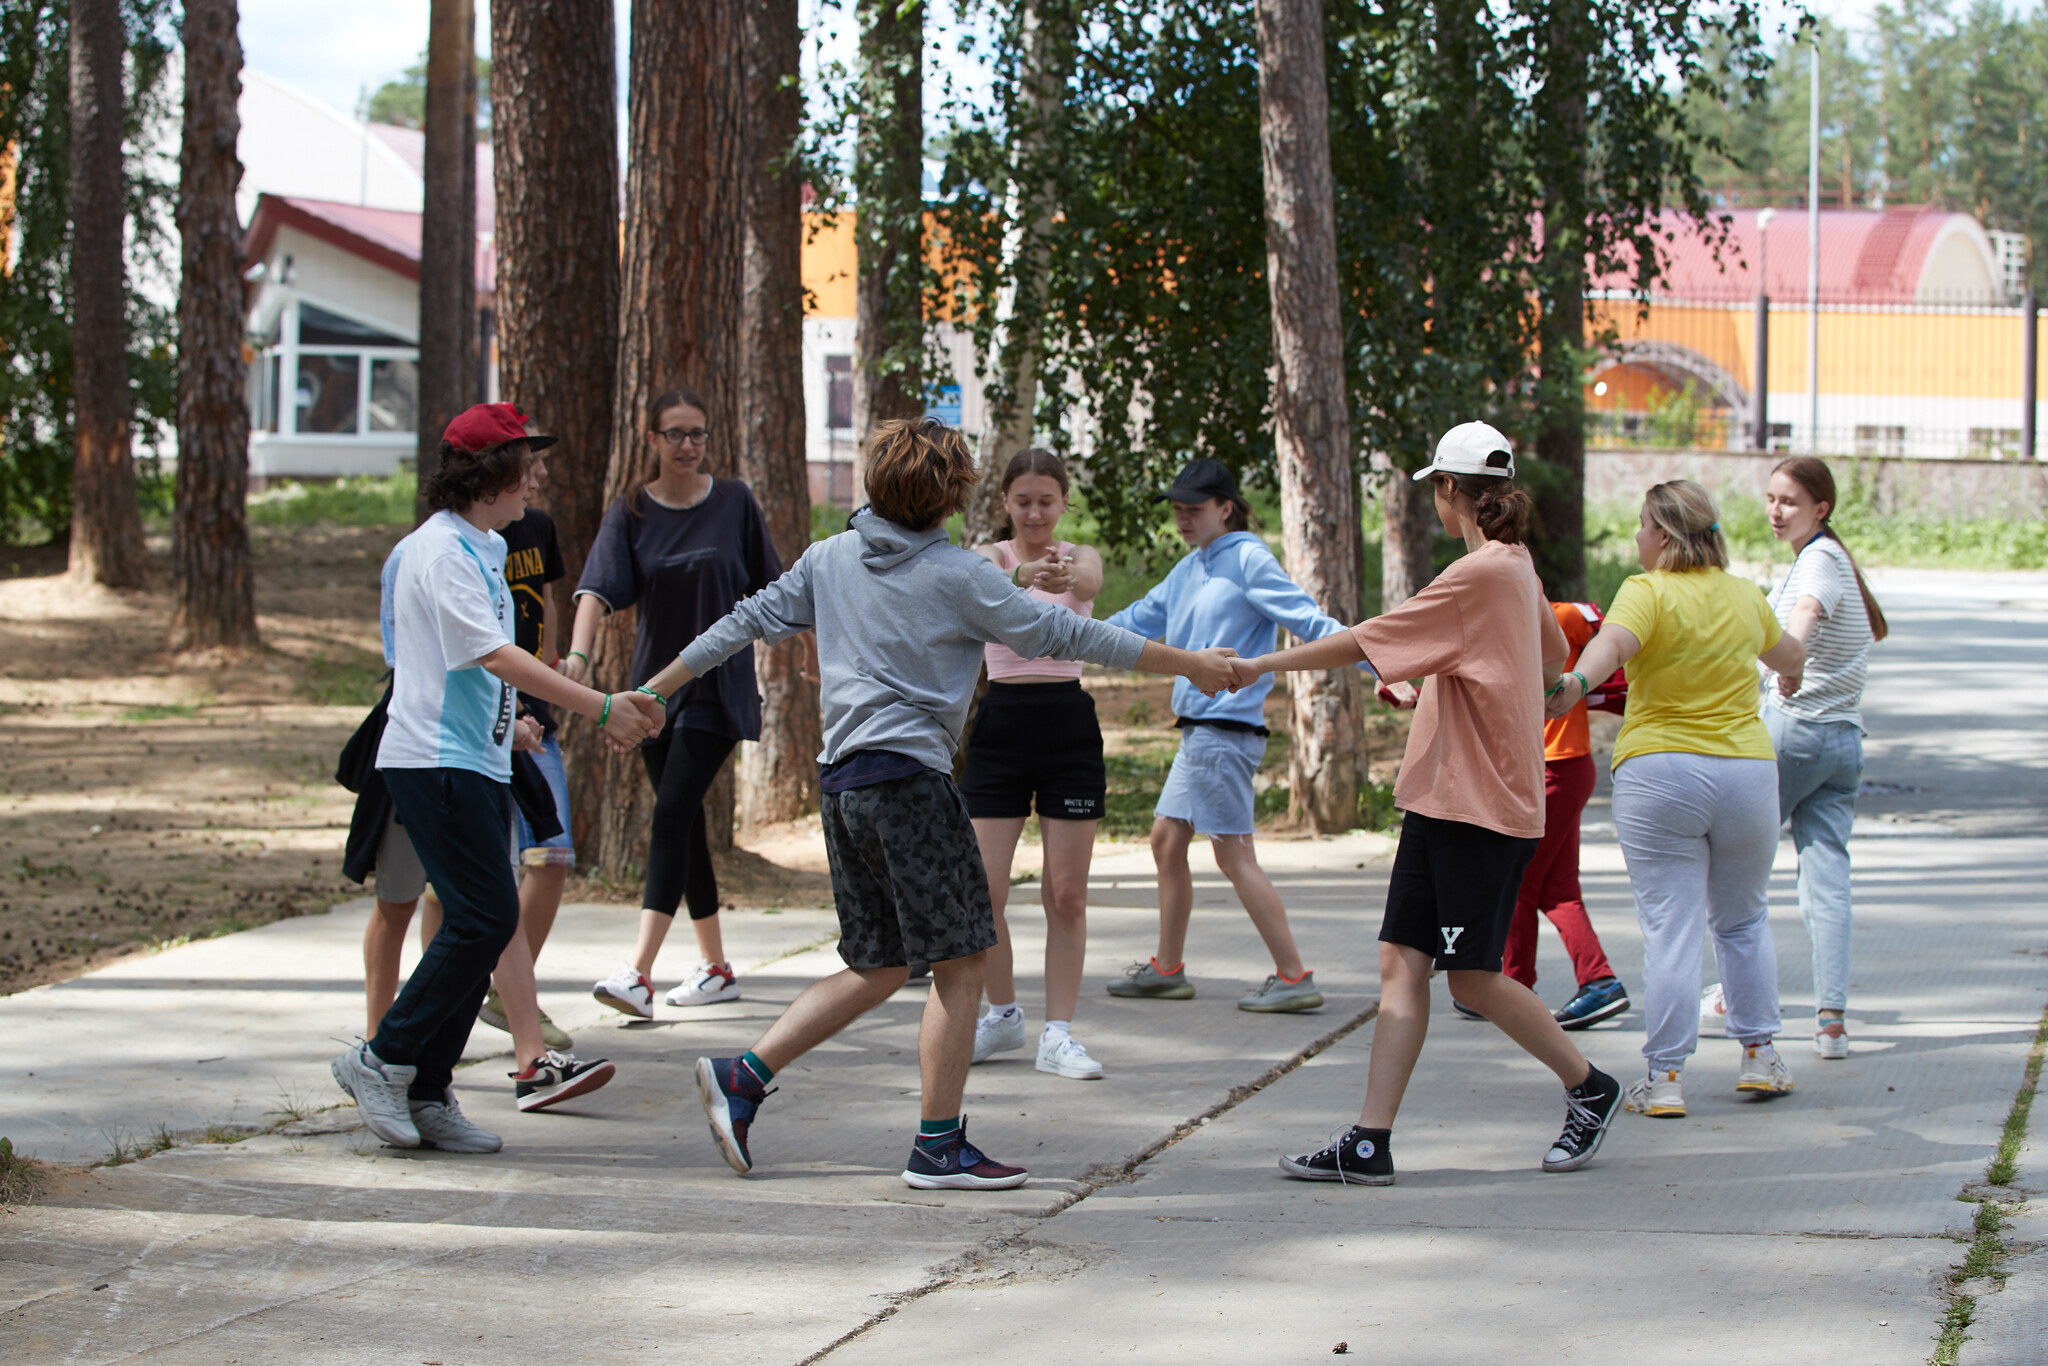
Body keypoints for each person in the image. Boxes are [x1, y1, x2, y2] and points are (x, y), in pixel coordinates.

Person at [657, 418, 1238, 1189]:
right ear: (953, 494)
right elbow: (1073, 636)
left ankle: (745, 1077)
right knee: (962, 964)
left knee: (882, 963)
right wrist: (1191, 663)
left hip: (842, 788)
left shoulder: (831, 558)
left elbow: (745, 620)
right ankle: (938, 1145)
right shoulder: (960, 575)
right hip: (909, 786)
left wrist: (650, 691)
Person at [1233, 422, 1623, 1184]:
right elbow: (1545, 661)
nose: (1434, 505)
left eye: (1434, 492)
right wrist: (1439, 680)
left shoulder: (1478, 575)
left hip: (1479, 808)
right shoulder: (1514, 566)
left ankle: (1590, 1087)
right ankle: (1369, 1142)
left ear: (1448, 488)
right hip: (1444, 800)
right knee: (1401, 963)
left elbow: (1361, 639)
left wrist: (1258, 665)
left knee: (1470, 976)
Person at [329, 404, 662, 1151]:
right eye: (526, 463)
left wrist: (510, 724)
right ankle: (380, 1059)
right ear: (488, 475)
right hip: (433, 762)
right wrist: (602, 705)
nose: (537, 476)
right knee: (481, 920)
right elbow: (489, 653)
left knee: (482, 926)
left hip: (473, 757)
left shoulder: (478, 543)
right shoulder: (442, 551)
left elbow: (450, 662)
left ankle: (426, 1091)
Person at [1547, 479, 1807, 1120]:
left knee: (1672, 928)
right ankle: (1759, 1057)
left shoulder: (1647, 591)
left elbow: (1611, 648)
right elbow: (1789, 654)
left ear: (1662, 535)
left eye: (1641, 525)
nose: (1637, 535)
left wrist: (1575, 683)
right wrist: (1792, 670)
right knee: (1743, 920)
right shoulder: (1746, 596)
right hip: (1746, 774)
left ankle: (1665, 1078)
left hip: (1660, 773)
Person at [1100, 458, 1361, 1013]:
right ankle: (1167, 969)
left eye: (1194, 509)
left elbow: (1310, 622)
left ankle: (1293, 976)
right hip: (1198, 735)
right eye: (1177, 510)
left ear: (1226, 508)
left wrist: (1382, 663)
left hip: (1224, 732)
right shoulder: (1190, 567)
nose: (1183, 519)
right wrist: (1062, 628)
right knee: (1167, 841)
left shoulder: (1246, 558)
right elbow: (1136, 620)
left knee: (1234, 856)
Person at [565, 388, 784, 1019]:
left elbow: (775, 588)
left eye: (698, 434)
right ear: (653, 439)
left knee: (670, 816)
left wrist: (813, 646)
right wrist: (578, 659)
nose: (687, 446)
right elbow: (596, 592)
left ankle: (638, 973)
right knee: (682, 825)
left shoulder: (736, 501)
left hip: (718, 688)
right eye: (675, 434)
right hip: (651, 695)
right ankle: (716, 968)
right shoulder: (632, 509)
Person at [962, 449, 1110, 1080]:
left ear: (1064, 502)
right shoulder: (987, 557)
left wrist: (1062, 578)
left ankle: (1059, 1033)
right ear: (1004, 503)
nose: (1034, 512)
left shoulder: (1080, 556)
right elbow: (981, 585)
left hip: (1067, 725)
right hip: (1001, 725)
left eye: (1046, 500)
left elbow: (1089, 584)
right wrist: (1025, 579)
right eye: (1022, 500)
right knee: (984, 890)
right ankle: (1003, 1016)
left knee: (1066, 893)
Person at [1454, 599, 1629, 1030]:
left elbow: (1616, 655)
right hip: (1560, 768)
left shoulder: (1562, 616)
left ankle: (1513, 987)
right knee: (1558, 887)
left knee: (1517, 883)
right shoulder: (1494, 621)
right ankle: (1598, 982)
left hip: (1553, 768)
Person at [1761, 456, 1884, 1059]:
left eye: (1788, 501)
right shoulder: (1824, 562)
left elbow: (1805, 616)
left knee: (1737, 866)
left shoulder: (1820, 561)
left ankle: (1739, 995)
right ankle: (1830, 1020)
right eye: (1771, 499)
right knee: (1827, 879)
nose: (1776, 511)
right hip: (1842, 743)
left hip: (1796, 733)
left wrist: (1792, 664)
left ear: (1821, 509)